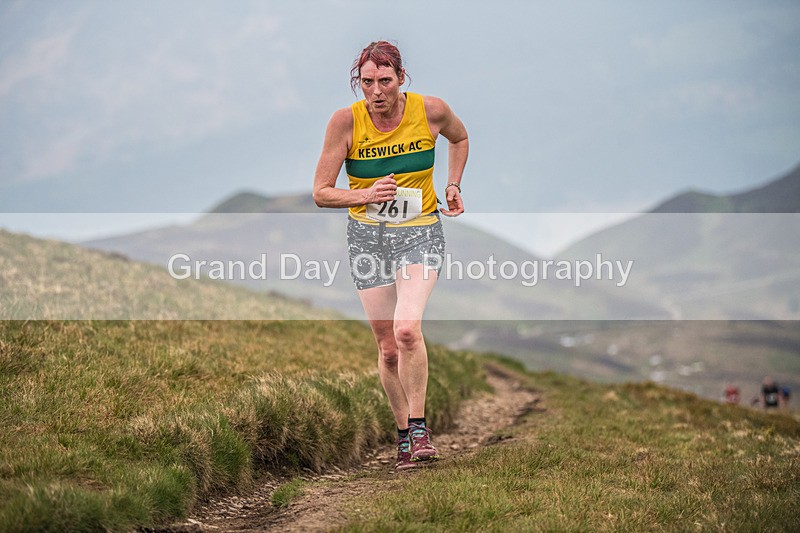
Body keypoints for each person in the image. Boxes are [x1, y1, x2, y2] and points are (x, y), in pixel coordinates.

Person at [313, 41, 468, 470]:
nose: (376, 91)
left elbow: (460, 137)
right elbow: (321, 193)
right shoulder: (345, 122)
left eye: (385, 81)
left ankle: (420, 430)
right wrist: (366, 194)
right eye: (367, 82)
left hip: (419, 233)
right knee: (386, 349)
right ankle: (403, 437)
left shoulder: (431, 111)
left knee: (405, 330)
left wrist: (452, 185)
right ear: (358, 83)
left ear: (401, 78)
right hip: (367, 239)